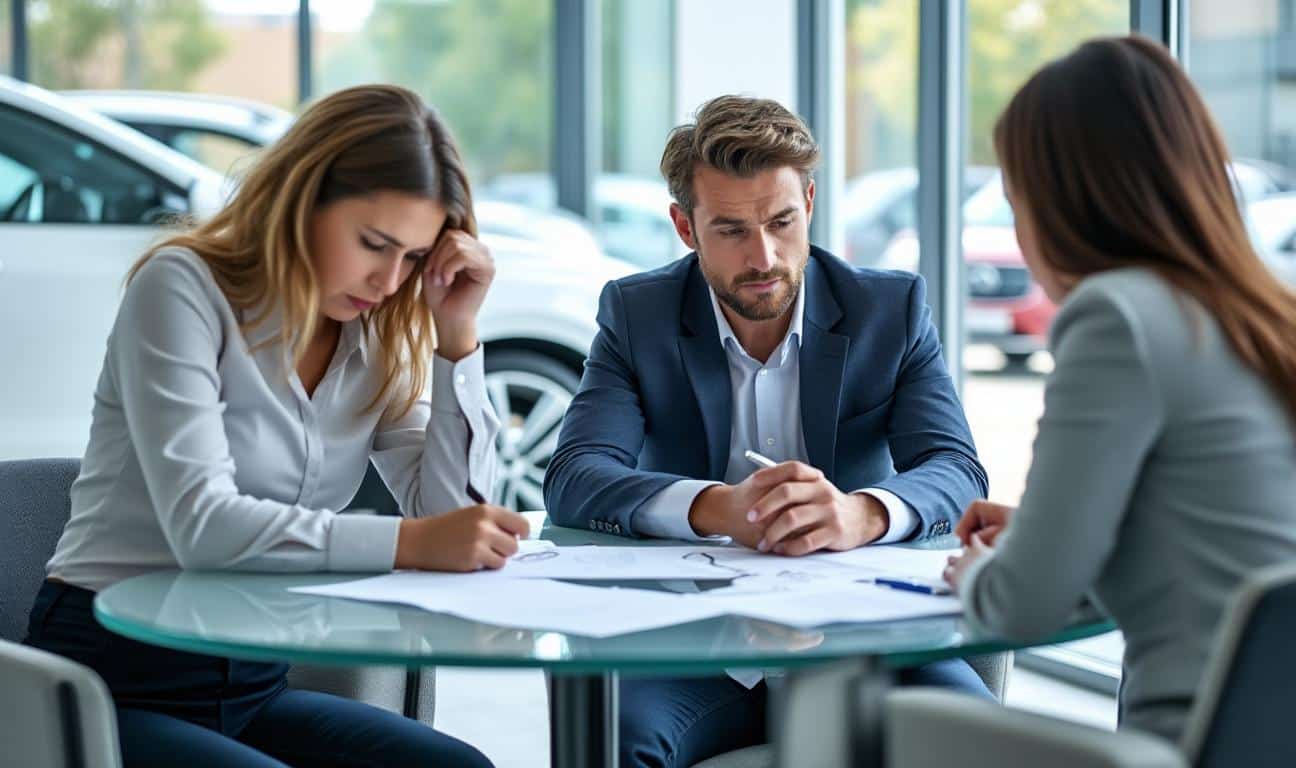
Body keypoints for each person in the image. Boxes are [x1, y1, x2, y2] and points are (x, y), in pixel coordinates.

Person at [22, 84, 530, 767]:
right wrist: (412, 542)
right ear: (302, 200)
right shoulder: (182, 288)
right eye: (374, 243)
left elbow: (451, 516)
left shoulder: (371, 332)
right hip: (111, 680)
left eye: (413, 257)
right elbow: (204, 527)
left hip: (252, 682)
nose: (388, 280)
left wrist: (458, 339)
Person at [544, 94, 991, 768]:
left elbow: (955, 469)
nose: (763, 256)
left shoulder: (889, 309)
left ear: (809, 201)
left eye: (782, 221)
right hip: (690, 641)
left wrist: (860, 513)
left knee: (982, 739)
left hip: (863, 633)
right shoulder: (638, 314)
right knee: (614, 744)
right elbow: (576, 476)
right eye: (730, 230)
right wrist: (716, 507)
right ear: (685, 227)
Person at [943, 36, 1296, 744]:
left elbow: (1021, 607)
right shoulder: (1264, 311)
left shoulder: (1117, 318)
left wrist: (982, 571)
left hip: (1187, 743)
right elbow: (1220, 543)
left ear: (1064, 202)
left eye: (1017, 201)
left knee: (872, 733)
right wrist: (1051, 533)